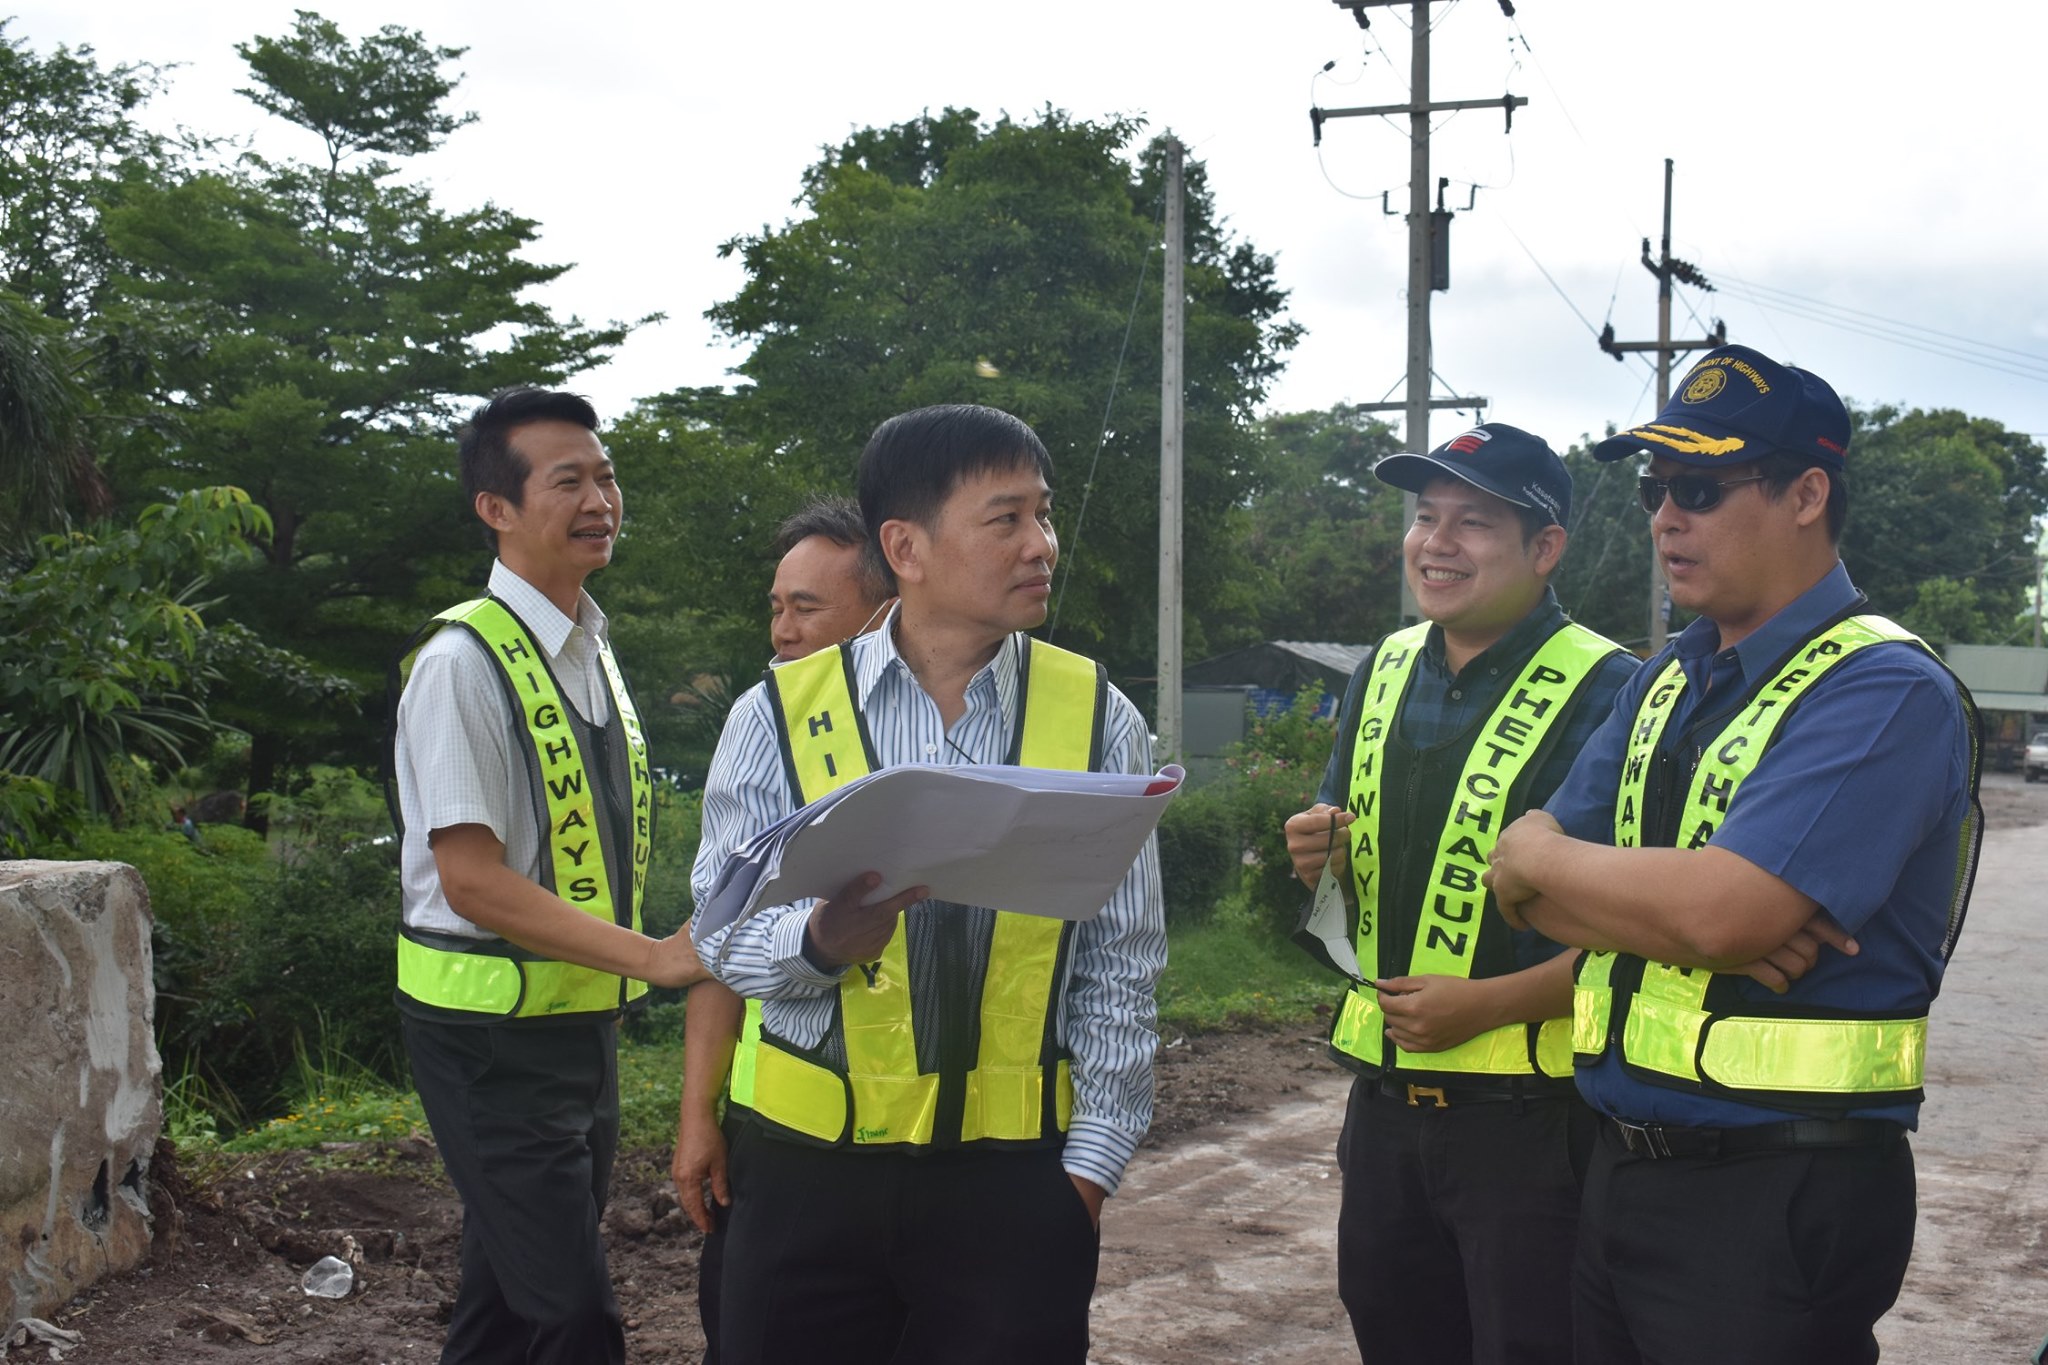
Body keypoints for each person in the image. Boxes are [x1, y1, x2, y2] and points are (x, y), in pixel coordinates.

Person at [1486, 345, 1983, 1365]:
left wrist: (1568, 866)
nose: (1665, 518)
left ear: (1806, 494)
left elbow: (1714, 915)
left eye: (1700, 489)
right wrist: (1650, 899)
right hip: (1617, 1170)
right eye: (1654, 490)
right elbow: (1513, 890)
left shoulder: (1882, 687)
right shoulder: (1665, 678)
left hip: (1777, 1193)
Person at [690, 403, 1166, 1365]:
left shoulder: (1097, 716)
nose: (1041, 544)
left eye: (1043, 514)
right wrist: (817, 943)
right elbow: (718, 932)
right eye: (1006, 519)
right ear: (904, 546)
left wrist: (1088, 1172)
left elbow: (1123, 960)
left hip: (1015, 1193)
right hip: (802, 1180)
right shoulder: (776, 714)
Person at [1279, 423, 1636, 1364]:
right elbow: (1350, 851)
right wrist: (1320, 854)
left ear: (1545, 548)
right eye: (1425, 516)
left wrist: (1491, 1002)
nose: (1436, 542)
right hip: (1385, 1110)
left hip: (1535, 1120)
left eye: (1472, 522)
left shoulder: (1615, 690)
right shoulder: (1386, 665)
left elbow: (1643, 929)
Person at [388, 386, 708, 1365]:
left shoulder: (586, 649)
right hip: (488, 1043)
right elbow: (472, 881)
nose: (600, 500)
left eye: (606, 477)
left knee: (505, 1304)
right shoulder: (461, 664)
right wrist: (653, 957)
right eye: (568, 482)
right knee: (573, 1319)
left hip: (577, 1030)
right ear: (496, 507)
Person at [670, 492, 892, 1363]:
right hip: (783, 1141)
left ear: (882, 610)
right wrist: (698, 1115)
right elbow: (719, 941)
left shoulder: (955, 731)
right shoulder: (767, 729)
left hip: (937, 1153)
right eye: (776, 607)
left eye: (806, 607)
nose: (782, 631)